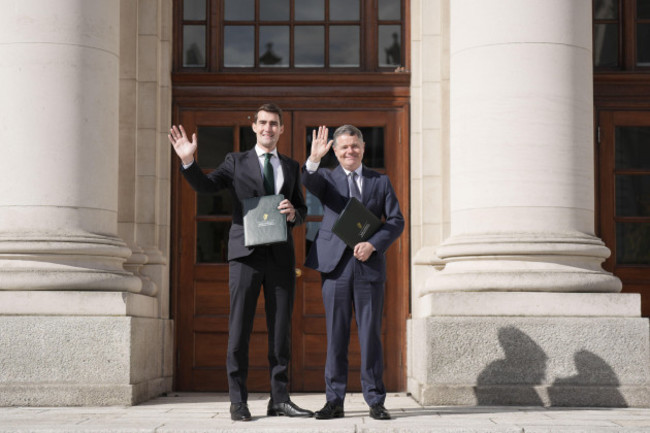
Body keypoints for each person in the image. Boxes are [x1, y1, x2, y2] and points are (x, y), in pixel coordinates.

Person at [168, 103, 312, 421]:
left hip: (279, 257)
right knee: (239, 330)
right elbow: (206, 187)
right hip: (245, 257)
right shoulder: (235, 161)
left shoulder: (291, 166)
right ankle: (238, 401)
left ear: (281, 129)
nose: (268, 128)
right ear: (254, 127)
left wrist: (294, 214)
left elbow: (301, 210)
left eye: (274, 124)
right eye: (263, 123)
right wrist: (188, 161)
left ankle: (280, 399)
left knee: (280, 332)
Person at [302, 125, 404, 420]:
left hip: (368, 267)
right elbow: (307, 180)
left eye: (355, 146)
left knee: (371, 335)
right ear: (335, 151)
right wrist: (313, 158)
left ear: (363, 148)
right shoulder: (325, 177)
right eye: (344, 147)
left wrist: (374, 244)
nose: (350, 151)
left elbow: (396, 221)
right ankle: (334, 401)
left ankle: (375, 400)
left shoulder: (380, 181)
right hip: (335, 267)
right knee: (336, 335)